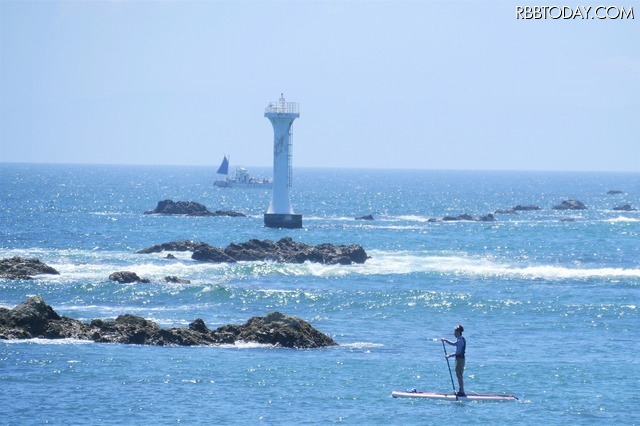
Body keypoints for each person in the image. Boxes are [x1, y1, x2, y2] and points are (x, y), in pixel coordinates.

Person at [441, 324, 466, 396]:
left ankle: (461, 392)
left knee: (459, 376)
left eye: (455, 332)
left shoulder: (461, 340)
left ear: (458, 332)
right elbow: (453, 344)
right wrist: (445, 340)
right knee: (459, 375)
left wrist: (449, 356)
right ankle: (461, 391)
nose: (454, 333)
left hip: (460, 360)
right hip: (459, 360)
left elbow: (458, 352)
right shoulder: (460, 339)